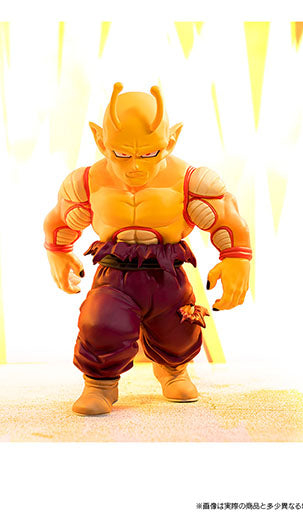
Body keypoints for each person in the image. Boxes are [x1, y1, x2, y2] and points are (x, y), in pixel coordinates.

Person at [44, 82, 252, 415]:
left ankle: (174, 371)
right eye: (122, 154)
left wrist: (236, 258)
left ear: (171, 139)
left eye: (149, 154)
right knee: (102, 322)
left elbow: (226, 219)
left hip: (167, 270)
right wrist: (58, 251)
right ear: (100, 140)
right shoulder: (86, 182)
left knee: (177, 330)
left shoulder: (190, 181)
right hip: (115, 271)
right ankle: (99, 383)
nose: (135, 166)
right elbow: (61, 220)